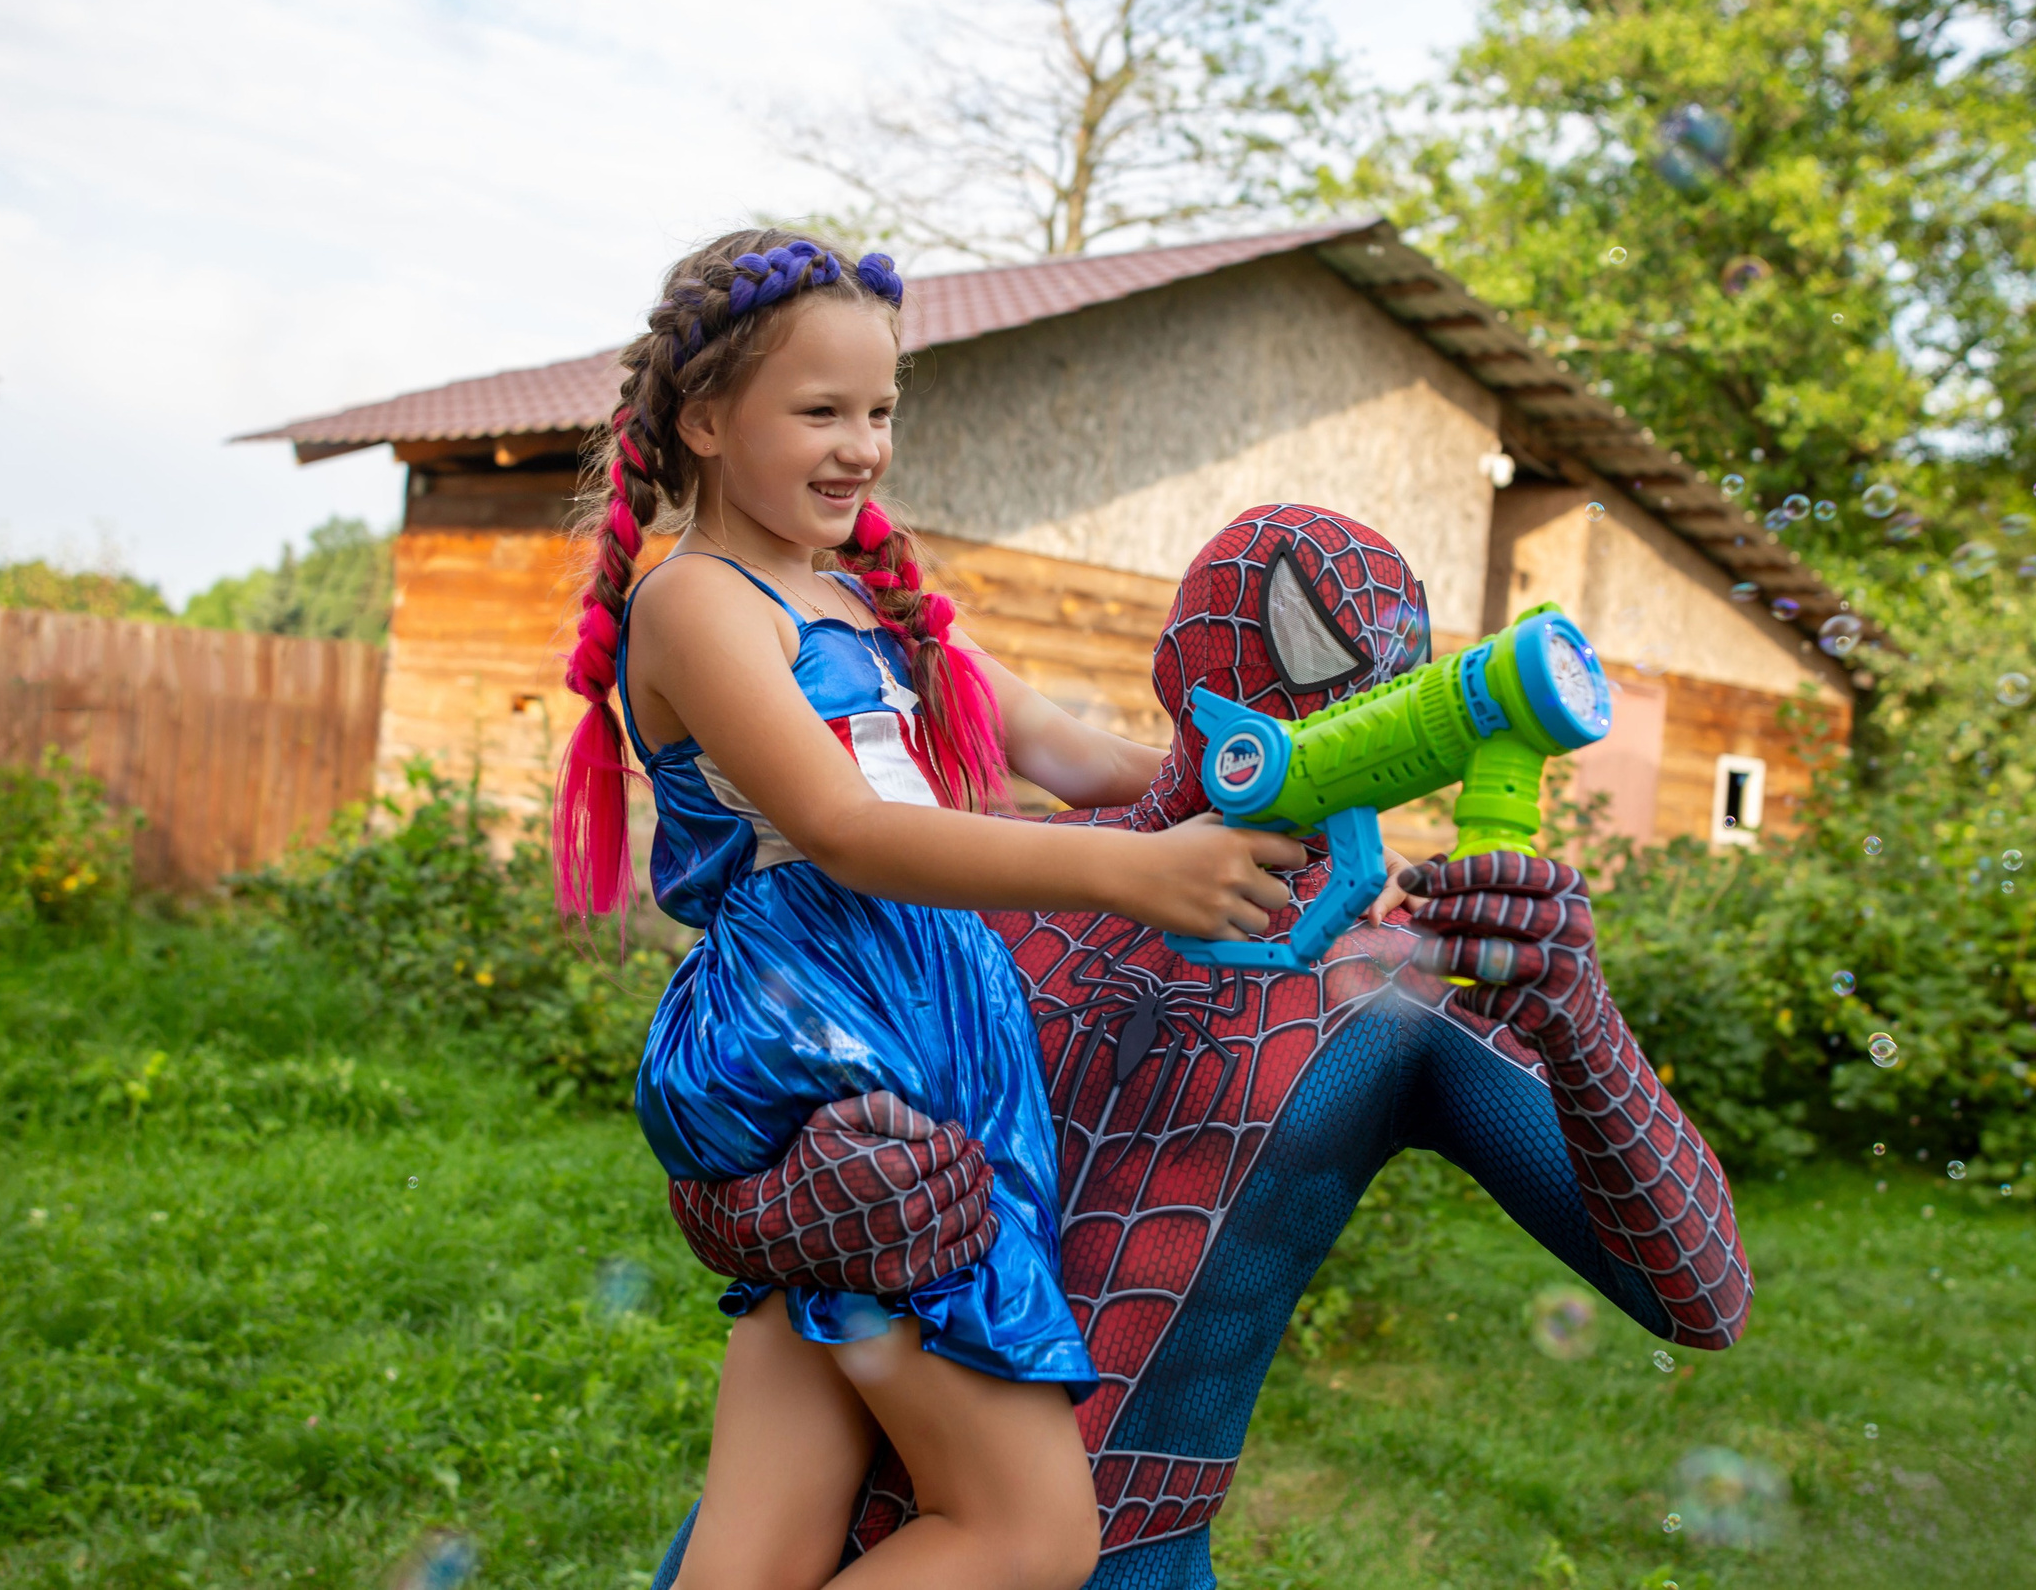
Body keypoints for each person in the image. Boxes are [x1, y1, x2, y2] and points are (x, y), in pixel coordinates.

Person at [653, 506, 1753, 1588]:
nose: (1344, 710)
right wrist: (772, 1210)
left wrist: (1577, 1017)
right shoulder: (975, 882)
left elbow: (1701, 1300)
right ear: (1183, 659)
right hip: (803, 1521)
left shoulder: (1387, 992)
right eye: (1314, 651)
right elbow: (720, 1121)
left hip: (1120, 1554)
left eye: (1388, 678)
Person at [553, 236, 1408, 1590]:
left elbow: (1078, 754)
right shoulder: (698, 600)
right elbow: (843, 827)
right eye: (820, 411)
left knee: (763, 1543)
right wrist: (1132, 871)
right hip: (838, 1043)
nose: (860, 446)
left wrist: (1286, 776)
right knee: (1027, 1531)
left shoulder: (877, 606)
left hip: (917, 1031)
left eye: (880, 410)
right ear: (705, 420)